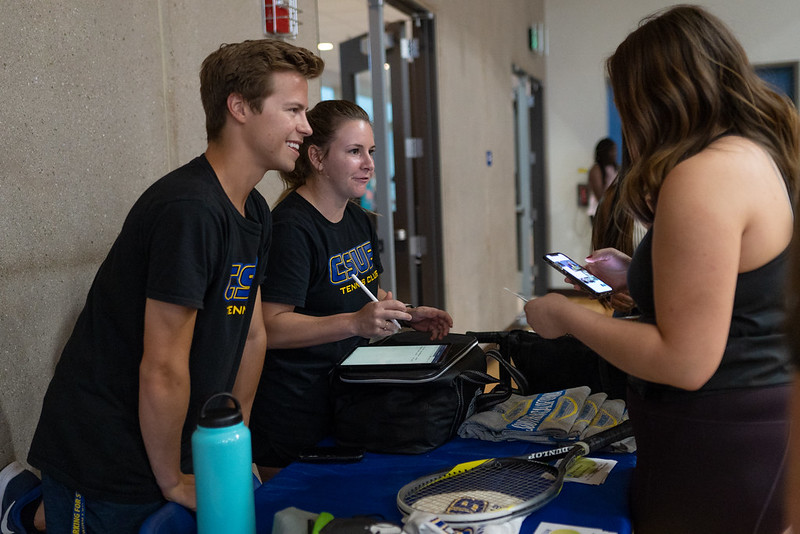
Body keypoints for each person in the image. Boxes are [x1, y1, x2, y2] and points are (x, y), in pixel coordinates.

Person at [14, 39, 324, 533]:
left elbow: (252, 334)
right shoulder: (191, 210)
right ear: (239, 107)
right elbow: (161, 365)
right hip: (107, 447)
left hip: (176, 437)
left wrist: (230, 442)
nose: (306, 126)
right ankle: (26, 508)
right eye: (293, 109)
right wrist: (171, 480)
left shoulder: (257, 211)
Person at [524, 6, 799, 533]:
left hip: (720, 442)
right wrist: (639, 274)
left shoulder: (706, 176)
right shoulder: (747, 155)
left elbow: (685, 361)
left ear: (657, 98)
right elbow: (733, 288)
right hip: (726, 433)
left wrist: (567, 315)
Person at [249, 99, 453, 480]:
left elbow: (358, 299)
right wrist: (355, 323)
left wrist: (404, 314)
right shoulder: (292, 229)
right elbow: (270, 327)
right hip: (292, 413)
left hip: (346, 399)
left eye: (371, 152)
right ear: (318, 158)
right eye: (354, 151)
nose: (369, 163)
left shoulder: (358, 218)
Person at [586, 138, 619, 223]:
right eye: (612, 151)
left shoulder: (616, 168)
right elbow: (600, 196)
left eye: (615, 150)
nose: (615, 153)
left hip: (613, 210)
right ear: (605, 152)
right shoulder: (596, 169)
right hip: (599, 211)